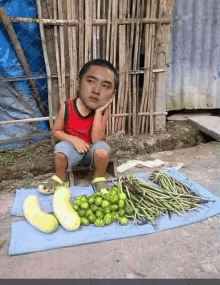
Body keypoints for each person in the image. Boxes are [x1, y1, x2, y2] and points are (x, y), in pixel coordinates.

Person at [38, 59, 119, 194]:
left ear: (112, 94)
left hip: (92, 150)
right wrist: (74, 140)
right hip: (73, 150)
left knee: (103, 149)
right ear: (79, 82)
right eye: (91, 81)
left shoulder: (103, 111)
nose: (96, 90)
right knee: (60, 149)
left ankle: (98, 177)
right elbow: (56, 131)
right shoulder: (68, 107)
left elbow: (97, 139)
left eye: (105, 86)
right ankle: (61, 177)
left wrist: (99, 112)